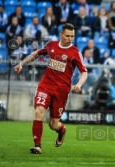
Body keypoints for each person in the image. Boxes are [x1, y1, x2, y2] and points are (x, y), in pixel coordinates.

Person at [14, 23, 88, 154]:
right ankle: (37, 145)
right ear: (61, 35)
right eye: (67, 36)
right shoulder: (51, 45)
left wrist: (79, 84)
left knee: (53, 124)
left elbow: (84, 72)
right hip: (45, 86)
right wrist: (22, 63)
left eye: (72, 36)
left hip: (61, 91)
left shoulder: (75, 53)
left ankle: (62, 131)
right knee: (39, 111)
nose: (70, 38)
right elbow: (36, 54)